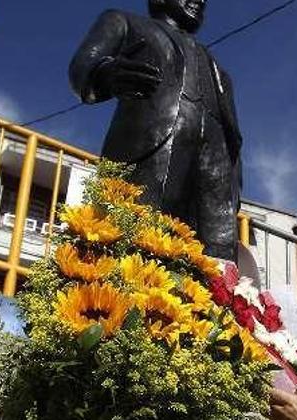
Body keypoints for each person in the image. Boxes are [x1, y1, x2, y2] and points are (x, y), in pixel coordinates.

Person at [70, 0, 242, 261]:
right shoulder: (124, 22)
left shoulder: (219, 70)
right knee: (134, 252)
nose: (201, 1)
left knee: (217, 260)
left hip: (214, 175)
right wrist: (106, 72)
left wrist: (233, 180)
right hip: (146, 155)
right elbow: (82, 66)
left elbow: (233, 136)